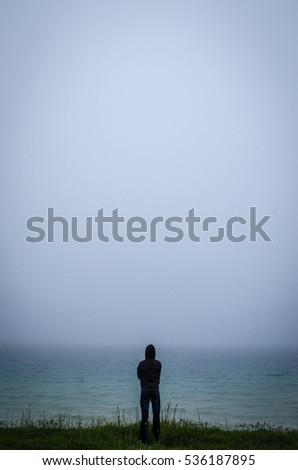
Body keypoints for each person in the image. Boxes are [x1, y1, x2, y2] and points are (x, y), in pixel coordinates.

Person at [137, 344, 162, 443]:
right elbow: (158, 376)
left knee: (144, 414)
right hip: (155, 390)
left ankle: (144, 437)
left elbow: (138, 376)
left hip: (144, 391)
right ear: (155, 353)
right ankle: (156, 436)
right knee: (156, 414)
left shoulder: (141, 364)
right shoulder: (158, 364)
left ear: (145, 353)